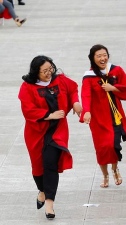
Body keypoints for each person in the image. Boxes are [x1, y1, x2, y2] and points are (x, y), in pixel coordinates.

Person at [18, 55, 82, 219]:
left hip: (57, 132)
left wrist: (75, 103)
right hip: (36, 132)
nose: (49, 73)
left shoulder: (60, 80)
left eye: (50, 68)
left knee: (50, 164)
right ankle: (41, 190)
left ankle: (49, 205)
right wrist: (50, 115)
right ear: (36, 72)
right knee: (38, 168)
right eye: (44, 71)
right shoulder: (27, 87)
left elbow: (73, 89)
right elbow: (28, 110)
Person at [80, 44, 126, 188]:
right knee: (102, 147)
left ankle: (114, 169)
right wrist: (86, 111)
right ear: (92, 59)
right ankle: (105, 175)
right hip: (98, 117)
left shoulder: (116, 70)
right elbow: (85, 95)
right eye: (98, 56)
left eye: (104, 55)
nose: (102, 58)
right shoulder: (89, 76)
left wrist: (114, 88)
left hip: (114, 115)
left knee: (112, 145)